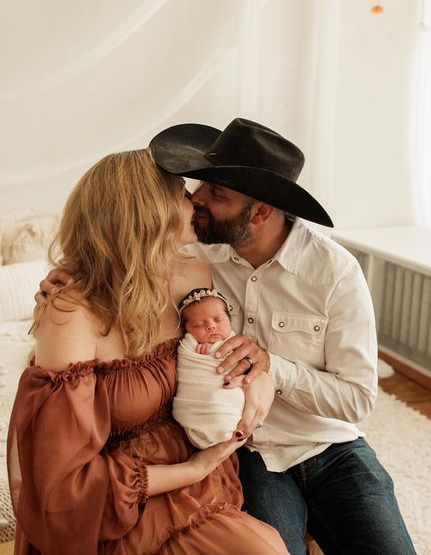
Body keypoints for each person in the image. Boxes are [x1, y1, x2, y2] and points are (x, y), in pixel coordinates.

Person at [37, 119, 416, 555]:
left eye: (217, 194)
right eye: (199, 187)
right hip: (244, 451)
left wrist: (273, 368)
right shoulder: (198, 255)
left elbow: (357, 400)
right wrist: (70, 276)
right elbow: (126, 250)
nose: (196, 199)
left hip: (328, 446)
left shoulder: (333, 273)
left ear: (260, 212)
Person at [7, 149, 289, 554]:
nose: (193, 201)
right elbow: (64, 484)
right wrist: (191, 469)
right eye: (179, 193)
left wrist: (258, 376)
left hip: (198, 476)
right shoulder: (72, 312)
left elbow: (211, 352)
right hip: (114, 503)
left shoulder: (193, 273)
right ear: (146, 212)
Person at [173, 287, 248, 450]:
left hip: (227, 403)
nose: (211, 327)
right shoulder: (189, 348)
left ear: (230, 320)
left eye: (218, 319)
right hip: (197, 403)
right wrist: (200, 349)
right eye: (199, 325)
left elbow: (247, 369)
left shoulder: (238, 344)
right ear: (187, 331)